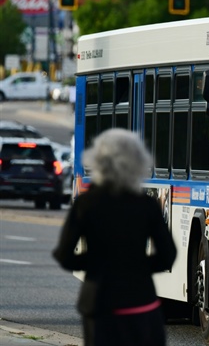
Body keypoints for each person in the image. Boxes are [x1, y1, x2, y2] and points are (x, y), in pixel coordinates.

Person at [53, 128, 176, 346]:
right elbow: (168, 255)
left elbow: (64, 255)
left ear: (98, 162)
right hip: (141, 301)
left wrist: (95, 263)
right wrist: (136, 265)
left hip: (100, 304)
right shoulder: (146, 205)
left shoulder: (86, 203)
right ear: (138, 162)